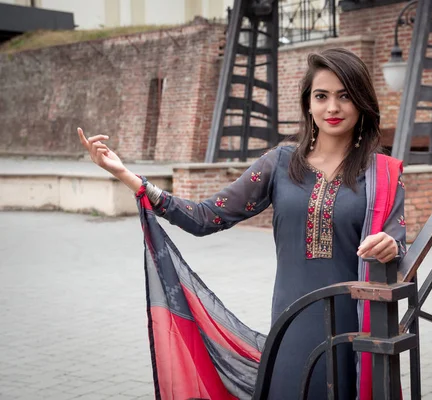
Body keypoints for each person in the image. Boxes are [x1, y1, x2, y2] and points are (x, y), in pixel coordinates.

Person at [77, 48, 406, 400]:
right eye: (321, 96)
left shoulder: (381, 174)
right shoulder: (280, 164)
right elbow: (205, 217)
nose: (333, 108)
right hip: (292, 326)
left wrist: (391, 249)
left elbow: (402, 256)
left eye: (345, 96)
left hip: (353, 332)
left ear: (361, 101)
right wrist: (129, 177)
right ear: (307, 104)